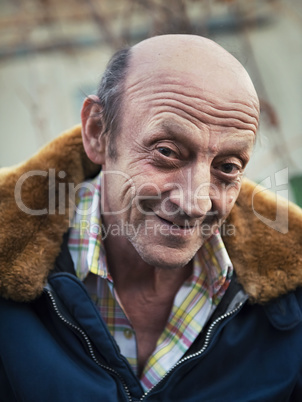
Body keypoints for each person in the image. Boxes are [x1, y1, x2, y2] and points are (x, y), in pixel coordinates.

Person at [0, 34, 302, 402]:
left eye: (226, 167)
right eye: (167, 152)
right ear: (97, 132)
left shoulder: (293, 299)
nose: (194, 202)